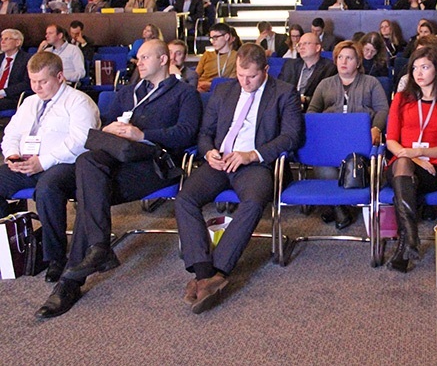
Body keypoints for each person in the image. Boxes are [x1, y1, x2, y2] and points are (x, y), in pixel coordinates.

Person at [36, 40, 202, 319]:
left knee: (90, 192)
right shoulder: (128, 92)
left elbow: (186, 134)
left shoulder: (184, 94)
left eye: (145, 57)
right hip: (115, 159)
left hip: (154, 164)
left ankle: (70, 282)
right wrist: (110, 128)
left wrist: (143, 135)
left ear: (163, 60)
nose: (139, 62)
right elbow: (104, 125)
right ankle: (98, 248)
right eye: (138, 58)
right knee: (85, 163)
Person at [176, 43, 302, 313]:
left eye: (252, 77)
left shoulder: (284, 92)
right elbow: (205, 132)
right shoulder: (224, 90)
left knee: (253, 202)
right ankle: (204, 272)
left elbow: (291, 137)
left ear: (265, 70)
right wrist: (208, 152)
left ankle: (219, 270)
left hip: (255, 164)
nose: (245, 82)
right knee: (185, 199)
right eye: (241, 75)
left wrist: (252, 155)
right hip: (220, 161)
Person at [0, 52, 100, 283]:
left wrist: (43, 162)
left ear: (60, 77)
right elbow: (11, 133)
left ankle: (55, 257)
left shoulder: (78, 102)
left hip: (66, 165)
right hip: (27, 163)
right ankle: (8, 242)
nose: (36, 87)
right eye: (33, 81)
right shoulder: (30, 102)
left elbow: (80, 142)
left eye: (43, 81)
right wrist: (12, 154)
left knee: (47, 189)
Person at [384, 46, 437, 272]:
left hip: (434, 169)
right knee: (403, 167)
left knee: (404, 183)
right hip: (401, 163)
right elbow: (391, 141)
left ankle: (407, 242)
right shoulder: (401, 99)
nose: (418, 73)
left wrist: (416, 153)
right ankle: (411, 236)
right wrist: (415, 158)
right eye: (415, 68)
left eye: (425, 67)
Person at [307, 41, 389, 228]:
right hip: (331, 140)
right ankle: (339, 208)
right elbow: (312, 111)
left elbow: (383, 110)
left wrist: (376, 128)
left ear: (358, 62)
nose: (343, 62)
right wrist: (321, 129)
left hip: (360, 141)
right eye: (340, 58)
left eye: (349, 58)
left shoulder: (371, 83)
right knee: (323, 165)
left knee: (352, 167)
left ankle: (333, 207)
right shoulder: (325, 84)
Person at [279, 32, 337, 111]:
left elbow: (327, 98)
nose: (302, 47)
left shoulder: (329, 68)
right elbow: (279, 89)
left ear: (317, 47)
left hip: (313, 111)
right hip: (288, 109)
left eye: (306, 43)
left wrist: (304, 99)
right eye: (299, 45)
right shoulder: (289, 65)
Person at [196, 23, 237, 93]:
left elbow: (232, 81)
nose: (212, 42)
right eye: (211, 38)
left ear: (226, 37)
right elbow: (196, 75)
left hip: (220, 90)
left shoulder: (236, 57)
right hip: (200, 87)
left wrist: (210, 85)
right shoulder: (207, 54)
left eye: (215, 38)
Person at [0, 29, 32, 111]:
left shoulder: (27, 59)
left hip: (12, 97)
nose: (2, 42)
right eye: (2, 39)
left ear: (18, 42)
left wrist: (3, 92)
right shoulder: (0, 58)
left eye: (7, 39)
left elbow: (26, 83)